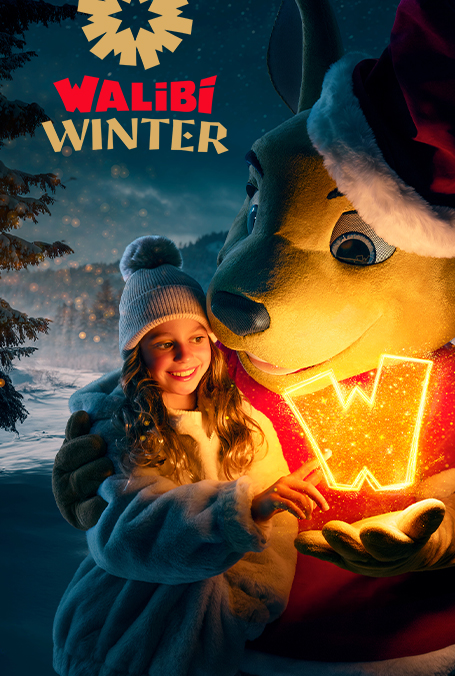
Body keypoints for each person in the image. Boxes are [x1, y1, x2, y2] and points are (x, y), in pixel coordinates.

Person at [52, 236, 329, 676]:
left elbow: (276, 533)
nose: (186, 355)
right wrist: (241, 509)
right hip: (121, 633)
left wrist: (244, 604)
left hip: (216, 636)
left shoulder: (243, 421)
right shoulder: (116, 426)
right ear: (137, 352)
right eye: (163, 343)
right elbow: (128, 530)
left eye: (197, 337)